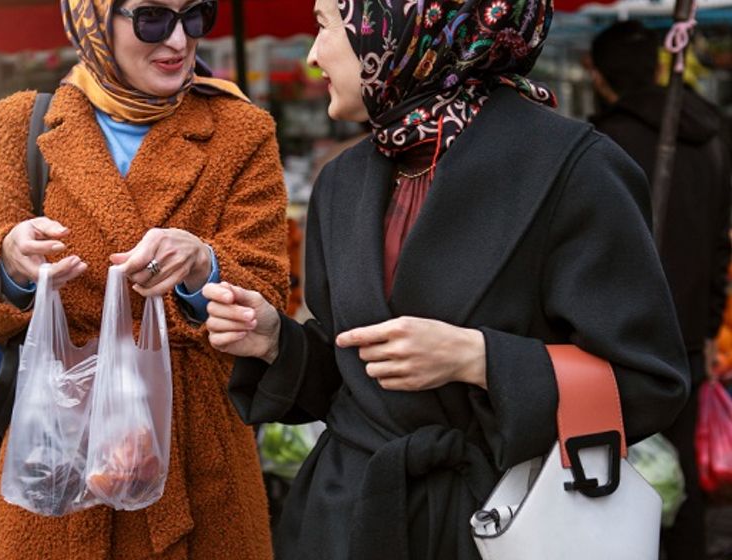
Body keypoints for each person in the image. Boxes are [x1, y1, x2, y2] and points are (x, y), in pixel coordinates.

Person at [201, 0, 691, 558]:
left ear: (396, 27)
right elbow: (356, 377)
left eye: (324, 25)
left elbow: (650, 380)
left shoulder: (576, 168)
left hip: (499, 522)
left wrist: (480, 360)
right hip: (348, 519)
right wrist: (275, 343)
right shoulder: (341, 180)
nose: (313, 56)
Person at [0, 0, 289, 556]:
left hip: (200, 464)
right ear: (94, 18)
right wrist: (10, 264)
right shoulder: (25, 124)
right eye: (154, 18)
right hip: (60, 460)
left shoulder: (240, 130)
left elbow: (269, 300)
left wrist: (203, 268)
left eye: (196, 15)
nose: (179, 41)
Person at [589, 20, 732, 560]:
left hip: (615, 340)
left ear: (599, 79)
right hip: (689, 333)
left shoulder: (600, 144)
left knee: (615, 473)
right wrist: (709, 319)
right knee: (681, 474)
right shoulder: (712, 134)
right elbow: (722, 243)